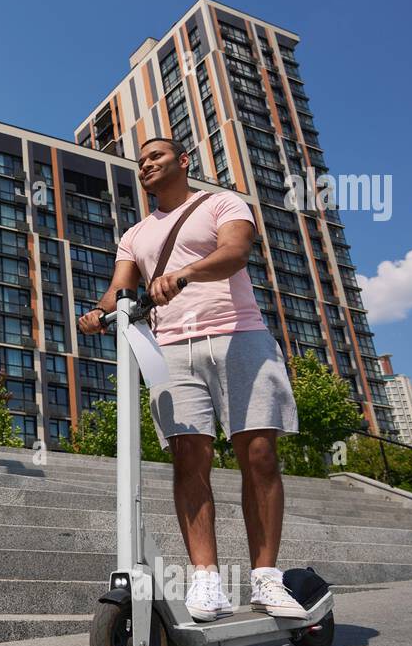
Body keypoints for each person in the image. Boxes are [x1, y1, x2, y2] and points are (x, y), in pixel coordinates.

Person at [76, 137, 307, 621]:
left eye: (156, 156)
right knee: (188, 456)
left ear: (183, 161)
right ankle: (206, 580)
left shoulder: (222, 202)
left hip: (239, 336)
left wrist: (184, 275)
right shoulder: (134, 235)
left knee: (259, 453)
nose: (146, 164)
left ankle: (266, 578)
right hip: (172, 348)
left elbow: (236, 252)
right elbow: (120, 290)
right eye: (140, 162)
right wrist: (95, 315)